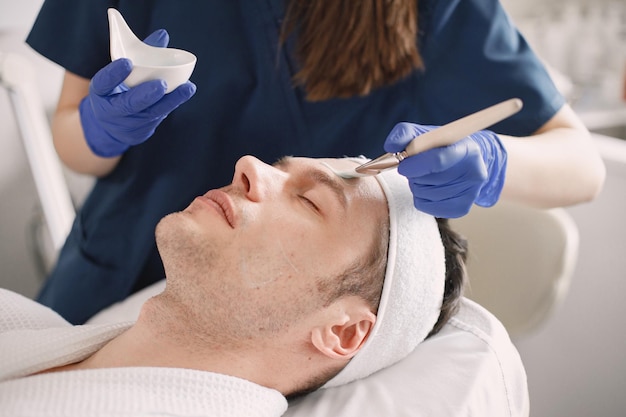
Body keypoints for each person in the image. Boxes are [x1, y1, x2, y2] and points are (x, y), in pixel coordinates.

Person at [26, 0, 605, 324]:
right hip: (118, 267)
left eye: (310, 196)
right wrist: (100, 132)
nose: (249, 172)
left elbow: (583, 165)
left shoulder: (436, 12)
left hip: (283, 314)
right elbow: (71, 135)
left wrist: (493, 159)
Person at [0, 156, 467, 416]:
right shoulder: (20, 327)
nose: (249, 165)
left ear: (343, 332)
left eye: (309, 199)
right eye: (280, 167)